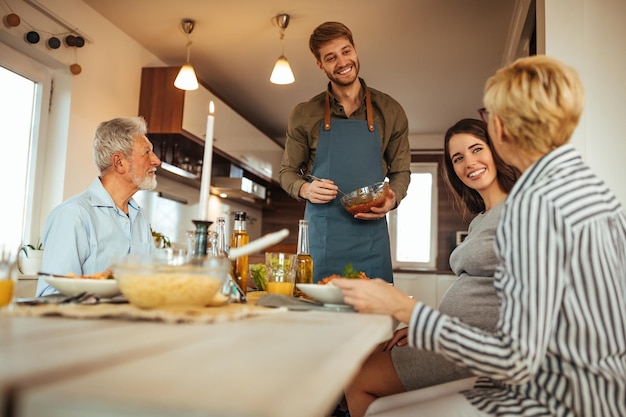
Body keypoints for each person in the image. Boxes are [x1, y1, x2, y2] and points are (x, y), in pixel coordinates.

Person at [333, 55, 626, 416]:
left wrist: (404, 308)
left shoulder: (534, 208)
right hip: (586, 390)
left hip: (553, 399)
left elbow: (514, 359)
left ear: (500, 128)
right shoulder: (586, 192)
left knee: (373, 396)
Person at [343, 118, 519, 417]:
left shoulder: (520, 211)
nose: (469, 163)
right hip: (451, 334)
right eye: (458, 158)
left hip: (474, 347)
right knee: (370, 352)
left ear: (497, 150)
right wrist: (428, 325)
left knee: (357, 377)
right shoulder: (481, 219)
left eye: (477, 149)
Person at [279, 21, 411, 283]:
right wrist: (305, 189)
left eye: (346, 51)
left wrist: (392, 199)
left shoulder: (391, 111)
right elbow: (287, 173)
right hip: (322, 240)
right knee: (320, 319)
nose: (342, 62)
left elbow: (401, 171)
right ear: (320, 65)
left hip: (371, 238)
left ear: (356, 50)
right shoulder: (304, 114)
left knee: (375, 319)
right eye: (331, 57)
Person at [36, 117, 161, 296]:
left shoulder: (139, 216)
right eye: (147, 152)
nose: (156, 161)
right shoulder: (73, 215)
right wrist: (101, 284)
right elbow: (51, 295)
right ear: (119, 163)